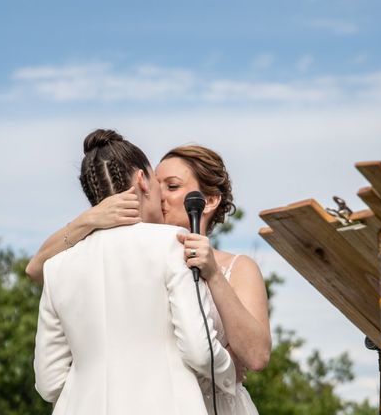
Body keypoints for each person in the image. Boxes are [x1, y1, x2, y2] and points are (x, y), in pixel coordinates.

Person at [28, 140, 271, 415]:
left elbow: (257, 355)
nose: (161, 195)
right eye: (158, 184)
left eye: (173, 186)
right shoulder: (162, 249)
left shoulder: (237, 267)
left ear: (209, 200)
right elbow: (35, 268)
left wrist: (213, 274)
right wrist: (90, 219)